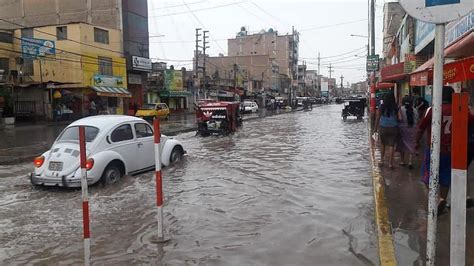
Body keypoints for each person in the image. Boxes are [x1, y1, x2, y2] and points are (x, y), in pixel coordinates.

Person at [416, 86, 454, 215]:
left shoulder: (432, 109)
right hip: (451, 150)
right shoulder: (460, 110)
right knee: (446, 177)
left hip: (433, 149)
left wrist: (416, 142)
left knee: (427, 176)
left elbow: (421, 127)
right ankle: (442, 199)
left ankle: (437, 199)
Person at [375, 92, 400, 169]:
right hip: (393, 127)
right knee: (392, 145)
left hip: (383, 127)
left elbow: (378, 118)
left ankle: (382, 161)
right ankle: (390, 164)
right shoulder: (396, 107)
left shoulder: (381, 106)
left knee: (383, 144)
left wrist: (375, 128)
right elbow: (398, 118)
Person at [398, 96, 418, 169]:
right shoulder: (415, 110)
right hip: (412, 129)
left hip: (402, 129)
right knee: (411, 144)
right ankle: (410, 162)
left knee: (401, 145)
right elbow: (417, 120)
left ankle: (402, 161)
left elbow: (398, 119)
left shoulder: (400, 109)